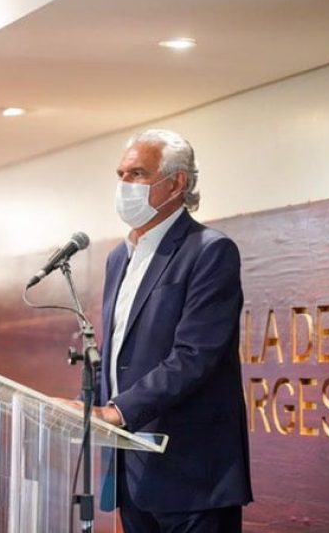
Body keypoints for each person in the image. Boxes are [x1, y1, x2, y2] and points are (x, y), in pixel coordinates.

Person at [91, 128, 253, 532]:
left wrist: (119, 410)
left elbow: (195, 355)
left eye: (137, 174)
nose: (124, 185)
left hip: (193, 476)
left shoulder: (209, 251)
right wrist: (88, 409)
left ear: (176, 183)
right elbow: (118, 355)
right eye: (121, 174)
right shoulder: (118, 258)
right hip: (132, 470)